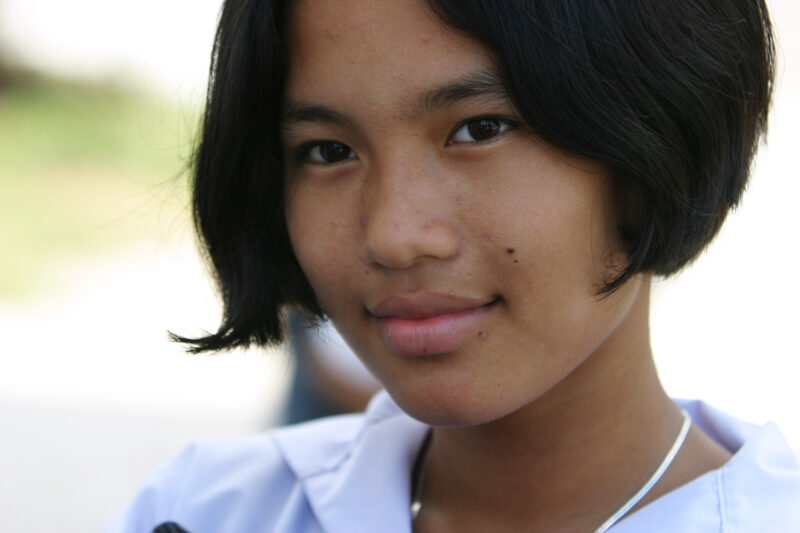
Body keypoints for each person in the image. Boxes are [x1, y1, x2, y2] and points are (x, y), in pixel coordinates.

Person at [107, 0, 800, 532]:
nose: (394, 236)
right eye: (328, 151)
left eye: (480, 129)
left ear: (655, 138)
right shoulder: (206, 511)